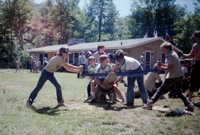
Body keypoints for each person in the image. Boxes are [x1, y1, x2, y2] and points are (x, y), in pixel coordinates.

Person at [146, 42, 194, 111]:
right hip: (179, 75)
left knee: (160, 90)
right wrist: (161, 64)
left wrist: (160, 67)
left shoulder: (170, 56)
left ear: (167, 48)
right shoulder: (173, 53)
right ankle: (189, 105)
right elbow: (170, 65)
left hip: (173, 76)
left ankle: (150, 103)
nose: (162, 52)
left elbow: (170, 68)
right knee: (179, 92)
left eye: (163, 50)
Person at [181, 30, 200, 101]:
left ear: (196, 37)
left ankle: (189, 99)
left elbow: (190, 55)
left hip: (198, 64)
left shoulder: (196, 45)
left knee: (193, 81)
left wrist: (183, 55)